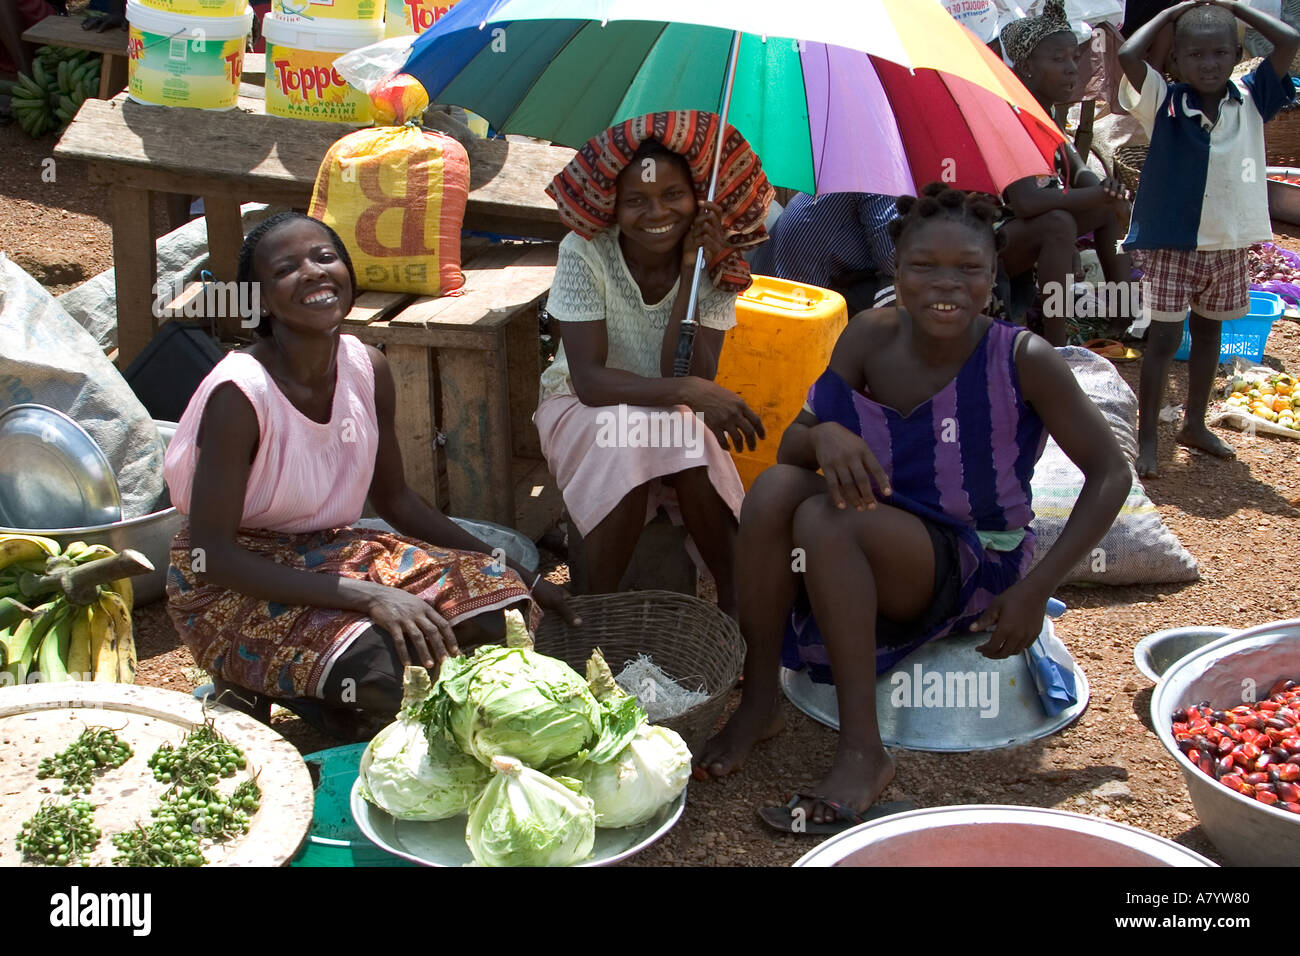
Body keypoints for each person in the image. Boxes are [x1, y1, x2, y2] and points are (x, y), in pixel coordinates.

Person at [696, 183, 1132, 830]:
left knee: (826, 517)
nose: (944, 286)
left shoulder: (1022, 358)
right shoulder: (868, 337)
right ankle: (760, 699)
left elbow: (1110, 474)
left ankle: (863, 753)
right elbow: (790, 451)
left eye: (969, 269)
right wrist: (823, 433)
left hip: (978, 558)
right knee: (775, 492)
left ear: (995, 276)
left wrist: (1039, 588)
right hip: (887, 528)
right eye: (923, 267)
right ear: (894, 270)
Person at [163, 211, 575, 735]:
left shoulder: (366, 367)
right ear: (260, 301)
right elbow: (213, 555)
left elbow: (397, 500)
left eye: (325, 257)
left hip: (332, 551)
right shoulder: (241, 395)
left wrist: (527, 577)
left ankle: (346, 702)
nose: (313, 272)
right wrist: (373, 596)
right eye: (286, 268)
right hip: (232, 579)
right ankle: (280, 689)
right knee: (385, 669)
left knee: (498, 608)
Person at [536, 111, 773, 617]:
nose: (655, 212)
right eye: (636, 200)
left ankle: (734, 609)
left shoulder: (720, 267)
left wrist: (692, 270)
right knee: (633, 437)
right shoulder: (586, 252)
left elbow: (687, 373)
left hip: (661, 410)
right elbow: (591, 383)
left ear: (698, 201)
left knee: (685, 441)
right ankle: (591, 614)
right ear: (612, 206)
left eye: (673, 196)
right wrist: (688, 395)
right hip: (575, 406)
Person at [1118, 0, 1299, 478]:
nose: (1210, 64)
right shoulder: (1165, 99)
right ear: (1176, 60)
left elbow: (1290, 42)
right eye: (1195, 55)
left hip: (1230, 242)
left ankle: (1194, 424)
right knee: (1162, 340)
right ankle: (1148, 439)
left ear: (1237, 54)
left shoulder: (1253, 94)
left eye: (1221, 53)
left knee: (1209, 334)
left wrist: (1234, 6)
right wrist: (1171, 12)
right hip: (1171, 243)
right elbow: (1128, 56)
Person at [999, 0, 1137, 345]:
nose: (1073, 69)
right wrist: (1097, 193)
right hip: (995, 242)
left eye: (1075, 58)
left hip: (1027, 231)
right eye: (1058, 60)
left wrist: (1109, 192)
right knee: (1058, 222)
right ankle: (1057, 342)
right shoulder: (1013, 116)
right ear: (1027, 68)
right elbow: (1027, 201)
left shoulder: (1045, 116)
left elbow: (1079, 171)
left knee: (1110, 209)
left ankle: (1124, 319)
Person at [746, 192, 899, 313]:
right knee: (902, 283)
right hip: (790, 297)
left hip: (777, 279)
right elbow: (894, 260)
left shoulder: (857, 167)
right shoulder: (877, 177)